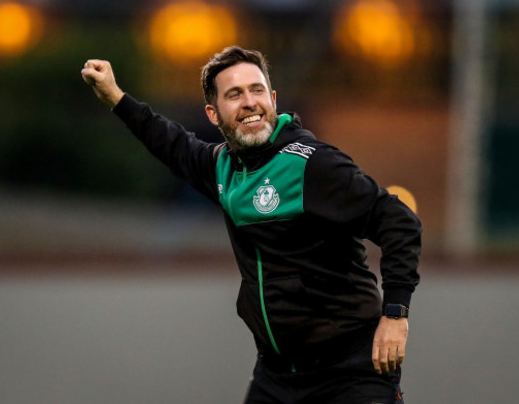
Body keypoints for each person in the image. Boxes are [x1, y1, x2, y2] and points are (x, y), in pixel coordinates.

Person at [81, 46, 421, 404]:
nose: (249, 102)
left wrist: (395, 314)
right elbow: (171, 142)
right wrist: (115, 97)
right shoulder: (223, 167)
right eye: (234, 94)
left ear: (273, 99)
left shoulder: (313, 165)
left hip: (349, 373)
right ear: (213, 114)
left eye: (257, 90)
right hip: (276, 375)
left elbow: (400, 222)